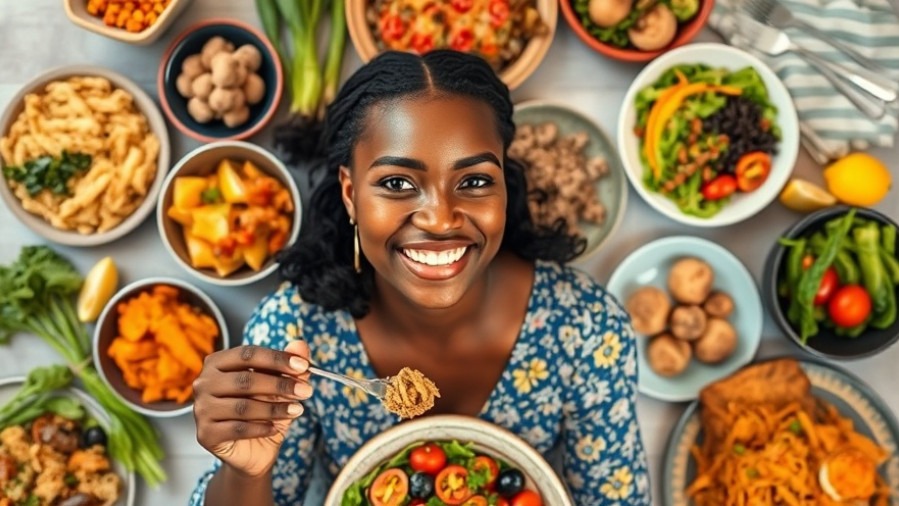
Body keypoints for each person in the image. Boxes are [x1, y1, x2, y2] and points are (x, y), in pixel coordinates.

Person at [189, 49, 650, 506]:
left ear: (504, 185)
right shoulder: (294, 337)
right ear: (351, 194)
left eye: (473, 181)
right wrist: (245, 472)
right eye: (396, 184)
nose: (440, 219)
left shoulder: (587, 330)